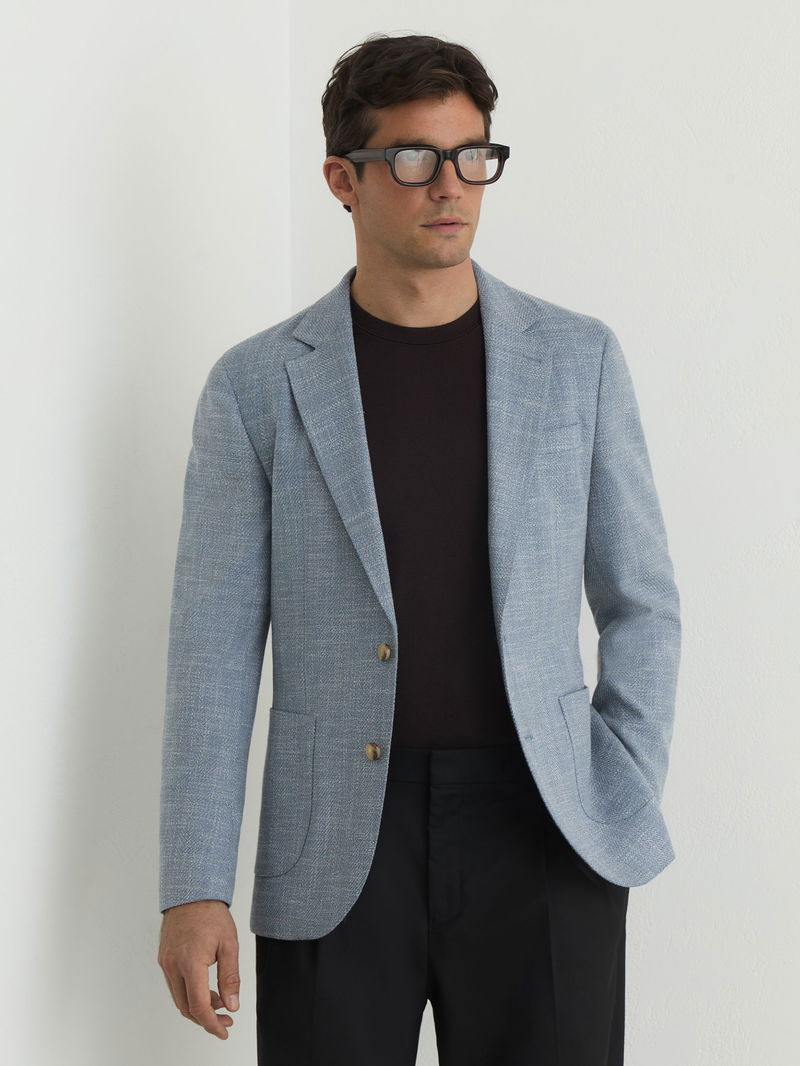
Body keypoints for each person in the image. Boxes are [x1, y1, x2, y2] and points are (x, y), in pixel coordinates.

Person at [157, 32, 681, 1066]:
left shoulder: (576, 360)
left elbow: (642, 602)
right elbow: (212, 652)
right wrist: (193, 883)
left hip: (544, 827)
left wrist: (615, 776)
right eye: (412, 158)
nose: (450, 185)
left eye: (471, 155)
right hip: (337, 839)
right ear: (341, 180)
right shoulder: (257, 386)